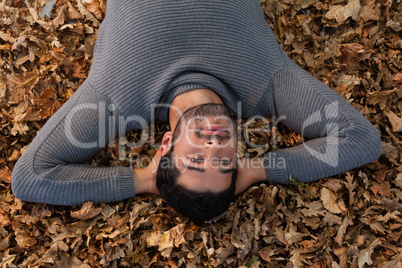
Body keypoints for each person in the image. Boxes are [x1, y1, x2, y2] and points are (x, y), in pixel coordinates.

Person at [11, 0, 381, 222]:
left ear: (166, 143)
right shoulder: (268, 86)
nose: (213, 148)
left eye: (194, 162)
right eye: (224, 164)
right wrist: (258, 170)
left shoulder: (117, 98)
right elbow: (360, 138)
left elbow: (30, 176)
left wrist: (141, 181)